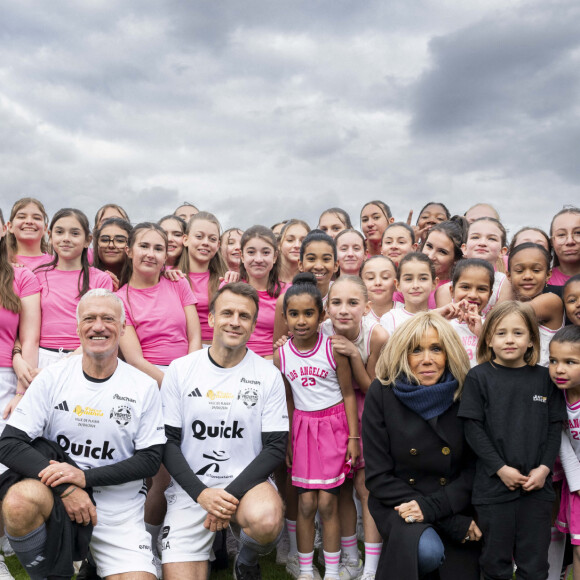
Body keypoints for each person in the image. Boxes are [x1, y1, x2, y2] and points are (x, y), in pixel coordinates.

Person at [0, 289, 166, 579]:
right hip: (59, 501)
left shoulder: (143, 386)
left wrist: (85, 478)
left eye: (108, 319)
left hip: (119, 513)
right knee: (18, 500)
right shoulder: (53, 377)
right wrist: (68, 487)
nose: (98, 326)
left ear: (123, 328)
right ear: (77, 328)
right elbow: (9, 444)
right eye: (89, 318)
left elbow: (151, 460)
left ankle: (92, 564)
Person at [161, 282, 288, 580]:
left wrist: (226, 498)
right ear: (212, 318)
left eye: (244, 316)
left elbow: (275, 448)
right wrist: (203, 495)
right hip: (192, 490)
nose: (235, 321)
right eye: (227, 313)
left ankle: (245, 561)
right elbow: (168, 442)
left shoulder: (268, 375)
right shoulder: (180, 369)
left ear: (254, 325)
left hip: (246, 486)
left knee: (267, 520)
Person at [362, 312, 481, 580]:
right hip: (400, 504)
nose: (427, 359)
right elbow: (379, 477)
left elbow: (475, 468)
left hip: (456, 502)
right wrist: (446, 521)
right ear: (403, 354)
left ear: (449, 352)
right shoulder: (381, 393)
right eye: (416, 350)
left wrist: (439, 509)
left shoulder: (467, 392)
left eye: (436, 349)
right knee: (426, 551)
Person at [458, 301, 566, 580]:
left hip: (536, 489)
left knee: (535, 566)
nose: (509, 339)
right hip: (494, 488)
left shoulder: (545, 379)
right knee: (495, 563)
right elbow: (473, 429)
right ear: (489, 339)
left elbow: (555, 428)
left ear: (531, 339)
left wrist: (544, 469)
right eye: (501, 333)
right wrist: (500, 468)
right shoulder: (478, 377)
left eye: (518, 333)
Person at [276, 274, 359, 580]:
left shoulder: (333, 348)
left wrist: (353, 436)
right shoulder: (281, 355)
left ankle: (334, 571)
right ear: (285, 317)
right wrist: (287, 440)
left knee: (328, 502)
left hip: (335, 428)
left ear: (321, 315)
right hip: (303, 430)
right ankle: (306, 567)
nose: (301, 321)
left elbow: (349, 393)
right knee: (307, 502)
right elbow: (287, 400)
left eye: (309, 313)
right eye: (294, 314)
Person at [323, 276, 388, 580]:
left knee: (366, 488)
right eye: (336, 302)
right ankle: (351, 559)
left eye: (352, 303)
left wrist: (351, 352)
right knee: (342, 489)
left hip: (368, 415)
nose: (344, 310)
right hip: (334, 417)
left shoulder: (377, 335)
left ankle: (372, 569)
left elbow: (372, 388)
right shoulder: (321, 332)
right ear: (327, 306)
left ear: (366, 307)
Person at [34, 208, 114, 368]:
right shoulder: (38, 275)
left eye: (75, 233)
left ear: (87, 240)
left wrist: (67, 361)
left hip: (84, 356)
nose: (66, 238)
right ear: (50, 236)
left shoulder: (100, 279)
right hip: (43, 357)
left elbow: (101, 326)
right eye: (59, 232)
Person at [549, 326, 580, 579]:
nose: (559, 369)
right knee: (578, 547)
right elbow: (561, 441)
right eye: (553, 361)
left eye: (570, 362)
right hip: (576, 483)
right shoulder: (555, 396)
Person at [5, 197, 51, 270]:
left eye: (36, 218)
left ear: (45, 228)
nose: (29, 221)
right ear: (10, 226)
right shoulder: (3, 263)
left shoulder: (58, 264)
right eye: (21, 217)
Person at [549, 207, 580, 286]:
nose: (570, 241)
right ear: (552, 242)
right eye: (561, 234)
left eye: (578, 233)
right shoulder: (543, 280)